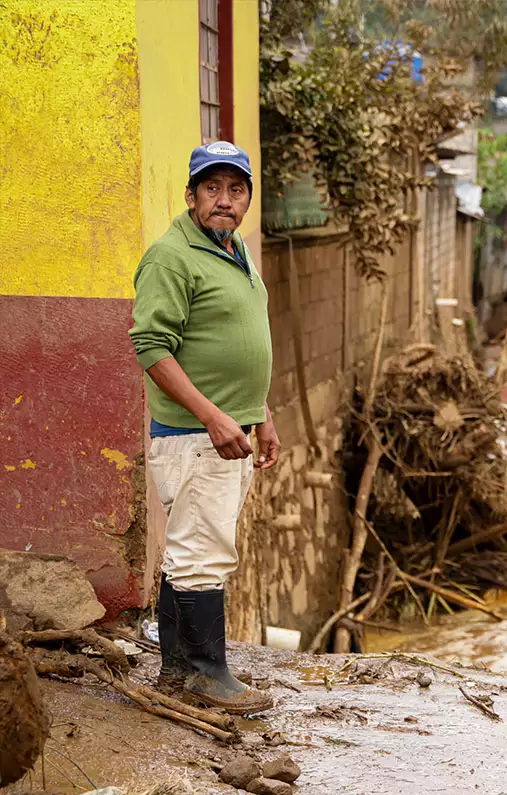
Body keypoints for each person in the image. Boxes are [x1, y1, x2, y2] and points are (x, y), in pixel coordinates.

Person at [129, 141, 279, 715]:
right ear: (190, 196)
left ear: (246, 200)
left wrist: (262, 417)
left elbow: (245, 345)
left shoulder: (233, 250)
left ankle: (175, 669)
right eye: (211, 189)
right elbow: (150, 345)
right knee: (204, 552)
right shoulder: (172, 257)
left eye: (235, 190)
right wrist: (214, 416)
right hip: (196, 436)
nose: (224, 200)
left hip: (231, 430)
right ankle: (208, 676)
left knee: (189, 548)